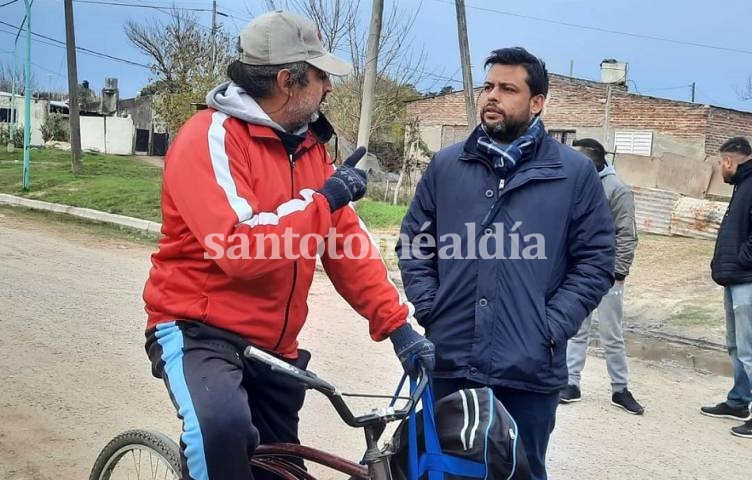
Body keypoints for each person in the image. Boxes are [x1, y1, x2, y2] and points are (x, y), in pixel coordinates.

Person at [142, 10, 434, 480]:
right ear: (286, 81)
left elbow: (343, 243)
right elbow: (238, 249)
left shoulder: (309, 146)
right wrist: (324, 200)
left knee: (283, 472)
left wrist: (399, 329)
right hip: (199, 330)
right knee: (221, 432)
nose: (330, 88)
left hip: (274, 346)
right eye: (321, 76)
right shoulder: (209, 138)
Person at [396, 47, 615, 480]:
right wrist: (432, 308)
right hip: (452, 358)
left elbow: (595, 260)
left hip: (528, 367)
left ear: (537, 103)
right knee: (441, 469)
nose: (492, 97)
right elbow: (414, 246)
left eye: (508, 89)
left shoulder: (572, 174)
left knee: (521, 471)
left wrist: (549, 327)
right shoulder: (447, 165)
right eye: (488, 86)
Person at [559, 138, 644, 414]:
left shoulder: (617, 189)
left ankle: (620, 389)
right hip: (577, 272)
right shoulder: (576, 184)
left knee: (611, 333)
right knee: (576, 329)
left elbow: (627, 234)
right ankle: (571, 383)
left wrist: (619, 271)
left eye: (580, 156)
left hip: (608, 274)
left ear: (595, 158)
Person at [702, 136, 752, 439]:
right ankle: (738, 401)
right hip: (735, 278)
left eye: (721, 163)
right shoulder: (742, 186)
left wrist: (742, 260)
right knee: (736, 347)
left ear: (729, 161)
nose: (721, 168)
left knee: (749, 350)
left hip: (747, 279)